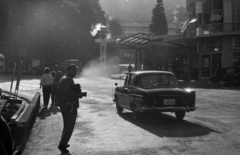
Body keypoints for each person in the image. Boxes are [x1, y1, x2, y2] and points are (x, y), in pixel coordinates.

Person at [56, 64, 82, 154]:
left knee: (67, 125)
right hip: (69, 106)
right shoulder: (67, 79)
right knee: (69, 126)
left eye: (76, 70)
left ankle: (63, 142)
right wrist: (78, 95)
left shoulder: (65, 78)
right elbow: (68, 92)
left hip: (65, 105)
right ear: (68, 71)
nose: (74, 72)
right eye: (73, 70)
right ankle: (62, 146)